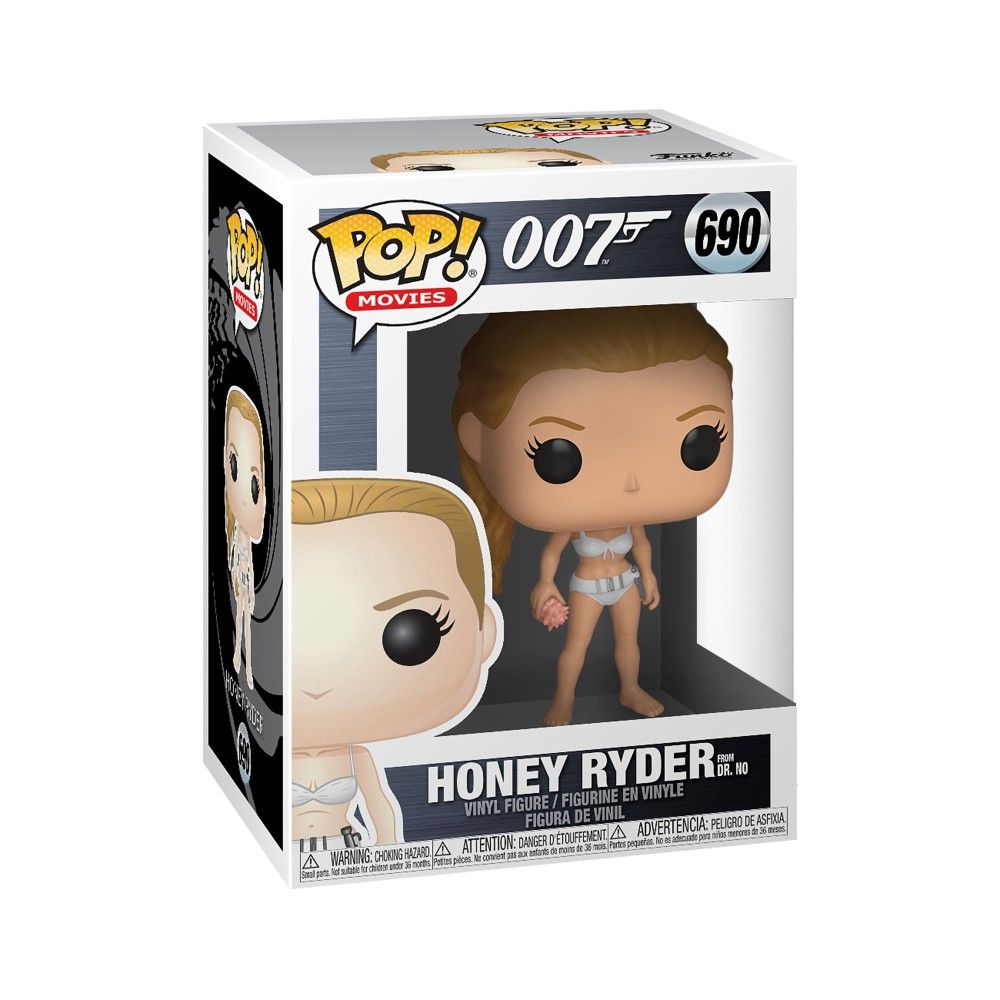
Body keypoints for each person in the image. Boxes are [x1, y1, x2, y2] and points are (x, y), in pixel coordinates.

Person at [453, 304, 734, 725]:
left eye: (700, 441)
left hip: (625, 582)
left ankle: (630, 689)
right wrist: (546, 583)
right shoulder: (574, 524)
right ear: (475, 437)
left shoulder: (628, 518)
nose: (632, 482)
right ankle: (563, 698)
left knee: (629, 642)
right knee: (577, 646)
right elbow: (552, 553)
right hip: (586, 586)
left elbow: (641, 544)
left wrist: (649, 575)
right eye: (557, 455)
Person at [291, 477, 498, 847]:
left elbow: (379, 806)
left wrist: (388, 846)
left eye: (412, 635)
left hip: (344, 848)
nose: (319, 683)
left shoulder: (356, 755)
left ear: (485, 632)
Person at [224, 386, 265, 689]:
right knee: (240, 622)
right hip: (241, 581)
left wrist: (248, 590)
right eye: (233, 464)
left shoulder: (246, 536)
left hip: (245, 583)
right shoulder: (236, 532)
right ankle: (239, 662)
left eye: (254, 485)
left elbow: (246, 561)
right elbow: (236, 558)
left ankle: (247, 667)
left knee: (246, 625)